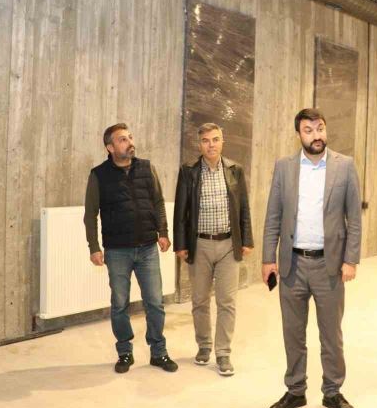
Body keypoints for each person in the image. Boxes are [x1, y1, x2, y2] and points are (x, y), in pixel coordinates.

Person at [262, 108, 361, 408]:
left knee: (331, 334)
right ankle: (295, 391)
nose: (316, 135)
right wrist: (268, 258)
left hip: (328, 265)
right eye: (309, 130)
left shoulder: (345, 166)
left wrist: (351, 259)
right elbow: (273, 215)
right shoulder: (284, 167)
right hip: (292, 264)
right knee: (293, 332)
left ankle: (333, 392)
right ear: (299, 134)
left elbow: (354, 218)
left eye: (320, 128)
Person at [83, 123, 178, 374]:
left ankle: (158, 352)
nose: (130, 142)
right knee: (120, 304)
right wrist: (94, 247)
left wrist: (163, 232)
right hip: (117, 252)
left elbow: (157, 202)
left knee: (155, 302)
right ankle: (124, 352)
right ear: (110, 147)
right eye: (123, 139)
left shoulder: (146, 168)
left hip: (148, 248)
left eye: (130, 137)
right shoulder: (99, 175)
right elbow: (90, 214)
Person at [173, 122, 254, 376]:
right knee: (199, 300)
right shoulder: (188, 171)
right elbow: (181, 211)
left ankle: (223, 353)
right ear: (200, 144)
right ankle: (204, 345)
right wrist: (181, 244)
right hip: (200, 245)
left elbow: (243, 207)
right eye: (206, 140)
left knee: (227, 301)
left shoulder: (235, 170)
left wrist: (247, 239)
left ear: (222, 142)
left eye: (215, 139)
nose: (211, 145)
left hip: (229, 244)